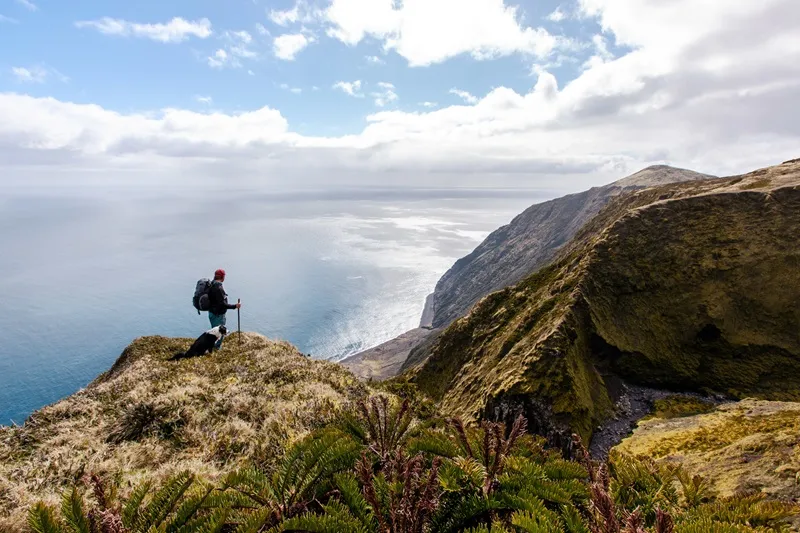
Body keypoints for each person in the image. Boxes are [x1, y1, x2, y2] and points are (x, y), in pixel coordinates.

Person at [207, 268, 241, 351]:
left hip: (212, 313)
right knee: (220, 332)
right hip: (218, 315)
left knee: (214, 332)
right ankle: (216, 348)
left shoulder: (211, 284)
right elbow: (222, 304)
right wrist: (235, 306)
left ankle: (212, 347)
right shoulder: (218, 288)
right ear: (222, 277)